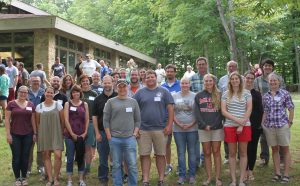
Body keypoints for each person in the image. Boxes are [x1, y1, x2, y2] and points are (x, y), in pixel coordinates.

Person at [134, 70, 174, 186]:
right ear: (144, 79)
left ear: (156, 78)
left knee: (160, 154)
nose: (150, 79)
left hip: (160, 129)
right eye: (147, 77)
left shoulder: (164, 91)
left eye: (152, 77)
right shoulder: (139, 92)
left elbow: (171, 109)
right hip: (143, 129)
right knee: (144, 155)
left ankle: (161, 179)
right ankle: (145, 179)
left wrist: (169, 125)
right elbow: (134, 110)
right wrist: (136, 128)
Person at [103, 79, 141, 186]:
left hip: (130, 138)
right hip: (115, 139)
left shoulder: (133, 102)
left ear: (127, 87)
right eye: (120, 86)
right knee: (116, 165)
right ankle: (117, 184)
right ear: (116, 88)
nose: (122, 88)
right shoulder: (110, 102)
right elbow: (105, 120)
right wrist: (109, 136)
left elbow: (138, 120)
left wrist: (134, 134)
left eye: (124, 86)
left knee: (132, 165)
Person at [262, 72, 294, 184]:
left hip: (282, 126)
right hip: (270, 127)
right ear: (268, 83)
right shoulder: (265, 96)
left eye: (275, 80)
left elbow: (291, 109)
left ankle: (286, 174)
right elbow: (265, 111)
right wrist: (263, 124)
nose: (273, 82)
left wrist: (289, 123)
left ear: (279, 82)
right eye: (271, 80)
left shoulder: (285, 94)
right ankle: (277, 173)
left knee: (285, 149)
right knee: (274, 149)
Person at [221, 71, 252, 186]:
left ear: (240, 80)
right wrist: (237, 121)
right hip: (229, 126)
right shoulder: (225, 94)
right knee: (232, 154)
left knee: (243, 153)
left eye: (236, 78)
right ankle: (234, 180)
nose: (234, 80)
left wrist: (241, 124)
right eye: (232, 79)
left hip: (244, 126)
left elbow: (249, 109)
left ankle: (241, 180)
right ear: (230, 81)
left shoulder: (247, 93)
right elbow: (224, 111)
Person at [254, 58, 286, 166]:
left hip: (277, 112)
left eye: (269, 65)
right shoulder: (257, 80)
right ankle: (264, 158)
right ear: (262, 67)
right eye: (265, 65)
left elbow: (284, 93)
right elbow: (255, 94)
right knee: (263, 136)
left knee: (279, 135)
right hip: (263, 112)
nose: (267, 67)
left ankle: (281, 159)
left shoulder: (279, 78)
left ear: (272, 67)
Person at [194, 74, 223, 186]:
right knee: (206, 152)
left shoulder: (219, 94)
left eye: (210, 81)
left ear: (213, 82)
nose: (208, 83)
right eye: (206, 81)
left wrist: (214, 125)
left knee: (216, 152)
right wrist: (204, 125)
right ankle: (209, 177)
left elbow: (221, 113)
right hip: (203, 128)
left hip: (217, 128)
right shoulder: (199, 96)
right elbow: (197, 112)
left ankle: (218, 178)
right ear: (203, 82)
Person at [5, 86, 37, 186]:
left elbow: (33, 120)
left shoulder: (31, 105)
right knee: (16, 157)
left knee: (25, 157)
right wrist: (8, 134)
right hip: (15, 134)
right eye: (21, 92)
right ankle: (17, 178)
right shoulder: (11, 104)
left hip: (28, 134)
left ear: (28, 94)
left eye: (25, 92)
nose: (23, 94)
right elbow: (6, 120)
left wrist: (35, 133)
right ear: (17, 92)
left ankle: (23, 177)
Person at [36, 86, 64, 186]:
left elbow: (62, 121)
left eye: (51, 93)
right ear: (45, 93)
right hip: (44, 133)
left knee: (58, 155)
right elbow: (37, 123)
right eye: (48, 92)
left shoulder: (58, 105)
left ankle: (56, 178)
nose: (49, 94)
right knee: (46, 155)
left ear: (54, 94)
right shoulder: (39, 107)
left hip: (56, 132)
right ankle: (50, 179)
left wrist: (62, 132)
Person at [93, 75, 118, 185]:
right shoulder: (98, 99)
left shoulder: (118, 97)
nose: (107, 85)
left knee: (117, 156)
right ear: (102, 83)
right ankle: (103, 177)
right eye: (105, 83)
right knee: (103, 157)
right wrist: (97, 132)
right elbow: (94, 116)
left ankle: (117, 175)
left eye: (109, 83)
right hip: (102, 132)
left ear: (113, 83)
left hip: (117, 132)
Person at [172, 77, 197, 184]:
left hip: (192, 129)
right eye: (183, 83)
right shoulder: (174, 96)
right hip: (178, 129)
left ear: (189, 84)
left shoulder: (195, 96)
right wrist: (179, 124)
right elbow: (171, 113)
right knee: (181, 152)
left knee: (192, 152)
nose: (185, 85)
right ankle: (182, 175)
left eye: (186, 83)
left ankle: (192, 175)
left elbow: (198, 113)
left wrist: (191, 124)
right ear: (180, 84)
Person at [64, 85, 89, 186]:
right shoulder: (67, 104)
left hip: (82, 135)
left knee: (80, 157)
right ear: (71, 94)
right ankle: (69, 180)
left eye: (77, 92)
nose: (76, 94)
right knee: (70, 158)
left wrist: (85, 132)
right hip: (70, 135)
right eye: (74, 92)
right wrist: (72, 133)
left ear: (80, 93)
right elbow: (66, 120)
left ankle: (81, 179)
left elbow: (87, 119)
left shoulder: (85, 104)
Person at [161, 64, 181, 176]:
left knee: (180, 144)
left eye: (171, 71)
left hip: (179, 118)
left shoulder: (180, 85)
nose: (169, 73)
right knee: (166, 144)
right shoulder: (162, 86)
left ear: (175, 72)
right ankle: (168, 165)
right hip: (166, 119)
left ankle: (180, 164)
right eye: (167, 71)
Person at [218, 60, 239, 164]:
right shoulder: (222, 80)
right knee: (227, 132)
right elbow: (219, 94)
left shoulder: (241, 79)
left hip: (239, 110)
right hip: (225, 110)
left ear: (236, 68)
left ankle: (240, 155)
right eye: (229, 66)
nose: (231, 68)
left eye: (233, 66)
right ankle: (228, 155)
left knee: (240, 132)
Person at [244, 71, 263, 181]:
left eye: (252, 78)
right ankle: (244, 169)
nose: (250, 80)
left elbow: (260, 110)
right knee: (243, 149)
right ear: (244, 79)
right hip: (242, 124)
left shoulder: (257, 94)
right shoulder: (240, 93)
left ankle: (250, 170)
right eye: (248, 78)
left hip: (254, 125)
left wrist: (259, 125)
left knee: (252, 148)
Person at [190, 56, 209, 167]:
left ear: (206, 65)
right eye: (199, 64)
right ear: (197, 66)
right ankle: (197, 160)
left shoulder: (212, 77)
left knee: (206, 137)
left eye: (203, 64)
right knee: (196, 137)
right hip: (196, 111)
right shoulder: (192, 78)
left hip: (209, 111)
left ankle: (204, 158)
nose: (201, 66)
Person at [79, 74, 98, 174]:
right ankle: (80, 165)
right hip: (79, 123)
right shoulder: (78, 93)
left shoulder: (94, 94)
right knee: (80, 145)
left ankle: (88, 167)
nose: (85, 83)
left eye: (87, 81)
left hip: (90, 123)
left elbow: (97, 109)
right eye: (83, 81)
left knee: (88, 146)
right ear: (80, 83)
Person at [27, 76, 45, 176]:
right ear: (30, 81)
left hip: (41, 123)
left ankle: (40, 166)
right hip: (28, 124)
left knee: (41, 147)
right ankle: (28, 168)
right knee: (29, 147)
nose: (36, 82)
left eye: (37, 81)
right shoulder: (26, 92)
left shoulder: (44, 92)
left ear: (41, 82)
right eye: (34, 81)